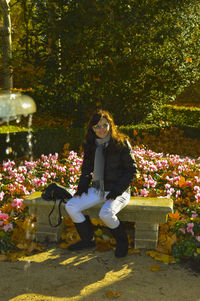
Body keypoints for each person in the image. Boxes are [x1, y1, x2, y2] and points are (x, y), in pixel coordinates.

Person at [65, 110, 137, 257]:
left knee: (106, 213)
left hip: (119, 190)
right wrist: (81, 190)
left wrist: (116, 192)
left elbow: (131, 171)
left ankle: (122, 242)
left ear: (110, 125)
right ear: (92, 129)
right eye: (97, 126)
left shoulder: (121, 143)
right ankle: (88, 240)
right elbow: (86, 170)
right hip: (99, 188)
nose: (101, 129)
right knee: (71, 205)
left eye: (105, 125)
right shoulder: (91, 145)